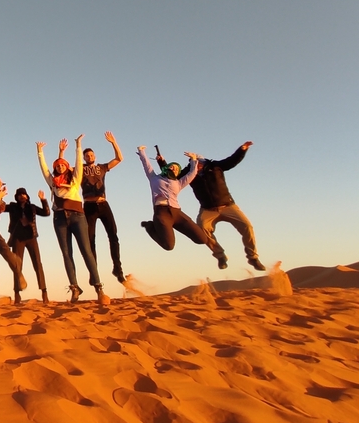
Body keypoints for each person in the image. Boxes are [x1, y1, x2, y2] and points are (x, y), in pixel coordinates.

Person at [157, 142, 264, 271]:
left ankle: (253, 257)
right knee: (202, 230)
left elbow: (232, 161)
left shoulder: (216, 166)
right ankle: (220, 256)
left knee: (247, 226)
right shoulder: (189, 173)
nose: (196, 166)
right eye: (193, 163)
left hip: (228, 206)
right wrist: (162, 162)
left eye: (198, 163)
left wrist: (242, 149)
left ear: (203, 162)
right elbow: (171, 175)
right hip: (207, 210)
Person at [38, 136, 109, 305]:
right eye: (58, 165)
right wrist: (40, 152)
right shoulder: (53, 183)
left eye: (63, 164)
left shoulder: (75, 179)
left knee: (86, 251)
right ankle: (75, 288)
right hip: (59, 218)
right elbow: (44, 169)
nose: (61, 166)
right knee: (66, 254)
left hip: (78, 216)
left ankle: (99, 288)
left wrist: (78, 146)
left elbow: (78, 164)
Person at [137, 146, 222, 263]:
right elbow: (147, 165)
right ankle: (150, 226)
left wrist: (193, 160)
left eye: (177, 168)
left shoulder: (179, 182)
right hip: (162, 214)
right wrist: (142, 152)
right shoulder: (154, 178)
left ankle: (162, 227)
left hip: (177, 213)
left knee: (202, 239)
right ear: (166, 168)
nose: (174, 168)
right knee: (168, 246)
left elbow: (192, 173)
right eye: (172, 166)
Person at [79, 131, 126, 283]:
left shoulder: (102, 167)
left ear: (95, 157)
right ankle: (94, 272)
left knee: (113, 235)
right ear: (84, 158)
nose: (90, 157)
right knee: (90, 239)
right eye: (87, 156)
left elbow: (119, 158)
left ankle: (117, 269)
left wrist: (113, 142)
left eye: (92, 155)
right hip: (89, 206)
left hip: (103, 204)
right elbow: (65, 167)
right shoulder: (80, 169)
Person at [4, 188, 50, 304]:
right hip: (18, 238)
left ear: (27, 196)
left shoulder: (32, 207)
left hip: (31, 238)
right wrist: (0, 196)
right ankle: (17, 293)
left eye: (23, 194)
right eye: (19, 195)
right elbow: (0, 208)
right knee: (17, 266)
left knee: (38, 264)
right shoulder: (13, 207)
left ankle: (44, 292)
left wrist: (43, 200)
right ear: (16, 197)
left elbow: (46, 213)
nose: (21, 196)